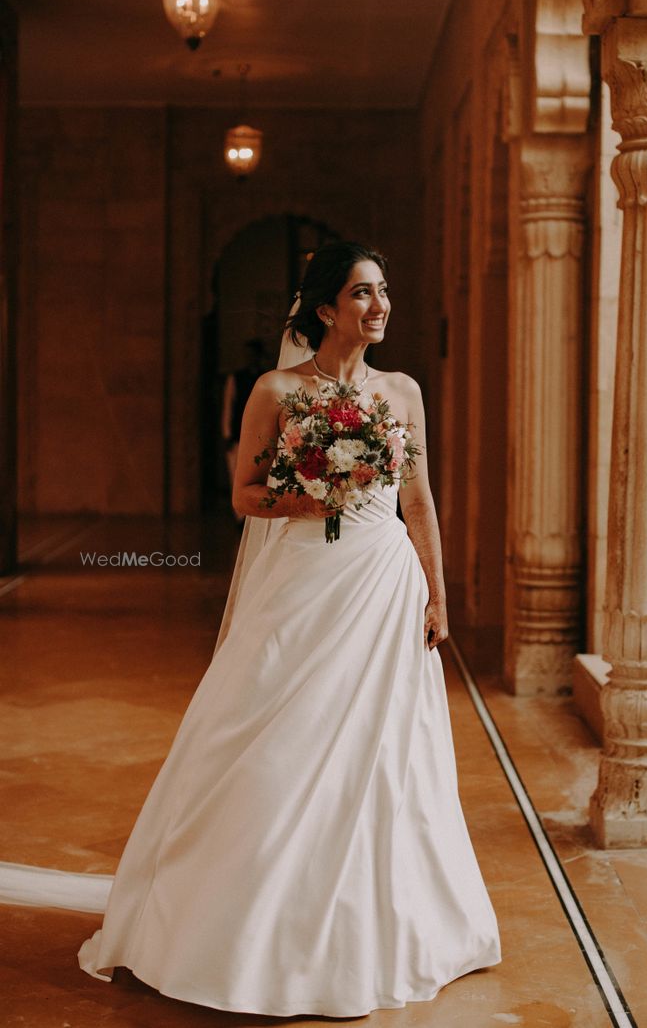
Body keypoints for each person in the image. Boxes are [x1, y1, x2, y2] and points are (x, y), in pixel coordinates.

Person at [77, 240, 501, 1017]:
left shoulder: (403, 392)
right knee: (269, 734)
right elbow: (242, 494)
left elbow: (421, 504)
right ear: (326, 308)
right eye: (364, 293)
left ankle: (376, 927)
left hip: (382, 585)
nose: (381, 306)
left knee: (383, 752)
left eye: (385, 292)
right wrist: (303, 501)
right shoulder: (276, 390)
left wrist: (437, 597)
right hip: (303, 585)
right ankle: (241, 920)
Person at [221, 338, 267, 524]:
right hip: (238, 434)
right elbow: (228, 406)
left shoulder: (265, 377)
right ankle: (240, 517)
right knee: (237, 473)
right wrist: (226, 433)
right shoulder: (236, 377)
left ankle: (255, 517)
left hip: (262, 435)